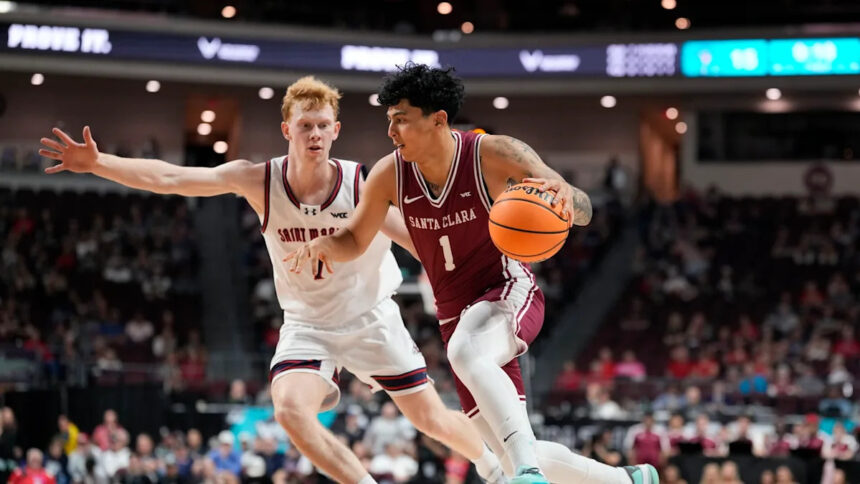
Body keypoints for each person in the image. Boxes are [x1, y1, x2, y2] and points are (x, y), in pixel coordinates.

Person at [39, 76, 505, 484]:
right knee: (288, 410)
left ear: (336, 131)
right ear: (287, 130)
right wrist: (100, 163)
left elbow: (423, 242)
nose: (316, 134)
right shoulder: (258, 180)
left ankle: (495, 469)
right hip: (307, 325)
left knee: (430, 418)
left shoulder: (363, 184)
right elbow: (171, 177)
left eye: (324, 125)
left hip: (370, 319)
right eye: (306, 125)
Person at [286, 63, 658, 484]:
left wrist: (567, 197)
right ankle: (629, 480)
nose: (391, 131)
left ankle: (529, 475)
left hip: (506, 289)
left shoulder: (494, 153)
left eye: (401, 120)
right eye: (389, 120)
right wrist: (324, 245)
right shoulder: (389, 173)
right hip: (454, 314)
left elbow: (582, 210)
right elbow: (354, 239)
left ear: (438, 120)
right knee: (507, 446)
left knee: (470, 360)